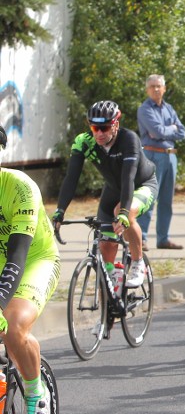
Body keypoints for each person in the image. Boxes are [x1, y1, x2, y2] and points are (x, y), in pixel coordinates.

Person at [53, 101, 158, 290]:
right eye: (95, 127)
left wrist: (124, 213)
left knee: (122, 211)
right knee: (105, 252)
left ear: (116, 124)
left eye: (105, 128)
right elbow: (71, 178)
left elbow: (128, 179)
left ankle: (137, 262)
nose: (99, 133)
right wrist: (60, 211)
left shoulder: (129, 139)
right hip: (112, 190)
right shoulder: (83, 142)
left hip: (141, 185)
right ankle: (107, 312)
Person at [0, 124, 61, 414]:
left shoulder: (20, 187)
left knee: (12, 326)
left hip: (34, 259)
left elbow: (18, 255)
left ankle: (37, 396)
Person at [137, 74, 185, 250]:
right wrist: (169, 129)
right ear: (147, 89)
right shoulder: (144, 109)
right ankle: (141, 237)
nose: (156, 89)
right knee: (149, 197)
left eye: (159, 86)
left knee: (167, 200)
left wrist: (168, 130)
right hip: (153, 155)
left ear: (164, 88)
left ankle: (163, 238)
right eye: (152, 86)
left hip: (170, 156)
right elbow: (156, 132)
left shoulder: (169, 108)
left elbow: (182, 132)